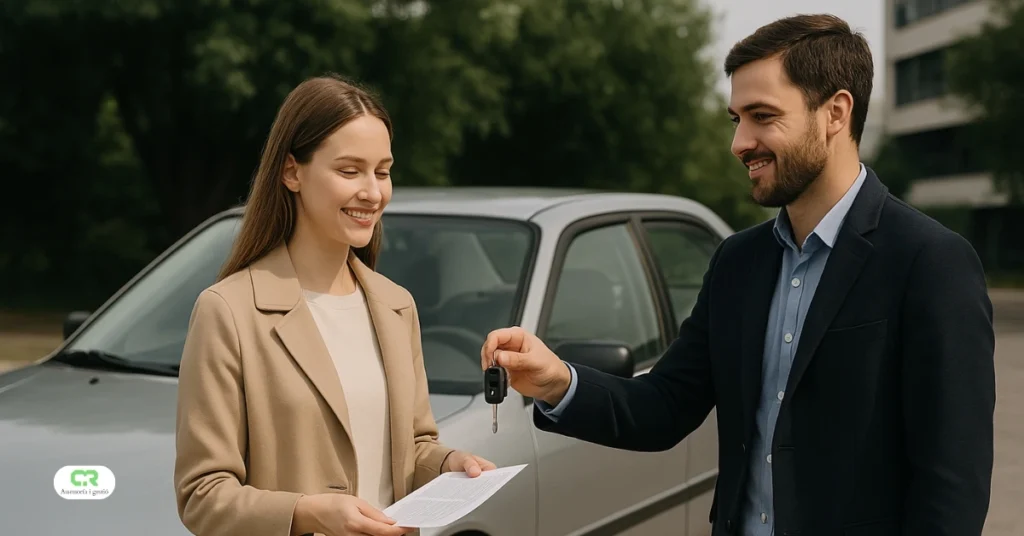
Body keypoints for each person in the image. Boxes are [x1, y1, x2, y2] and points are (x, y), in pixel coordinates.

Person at [481, 14, 995, 536]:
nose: (740, 143)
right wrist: (556, 381)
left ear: (836, 112)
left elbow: (951, 486)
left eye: (762, 116)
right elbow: (663, 407)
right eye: (736, 119)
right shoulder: (737, 262)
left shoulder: (930, 262)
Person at [174, 74, 496, 536]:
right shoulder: (227, 311)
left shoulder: (395, 305)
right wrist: (307, 512)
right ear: (292, 172)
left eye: (382, 172)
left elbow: (414, 446)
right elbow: (203, 495)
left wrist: (451, 463)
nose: (372, 192)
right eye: (350, 171)